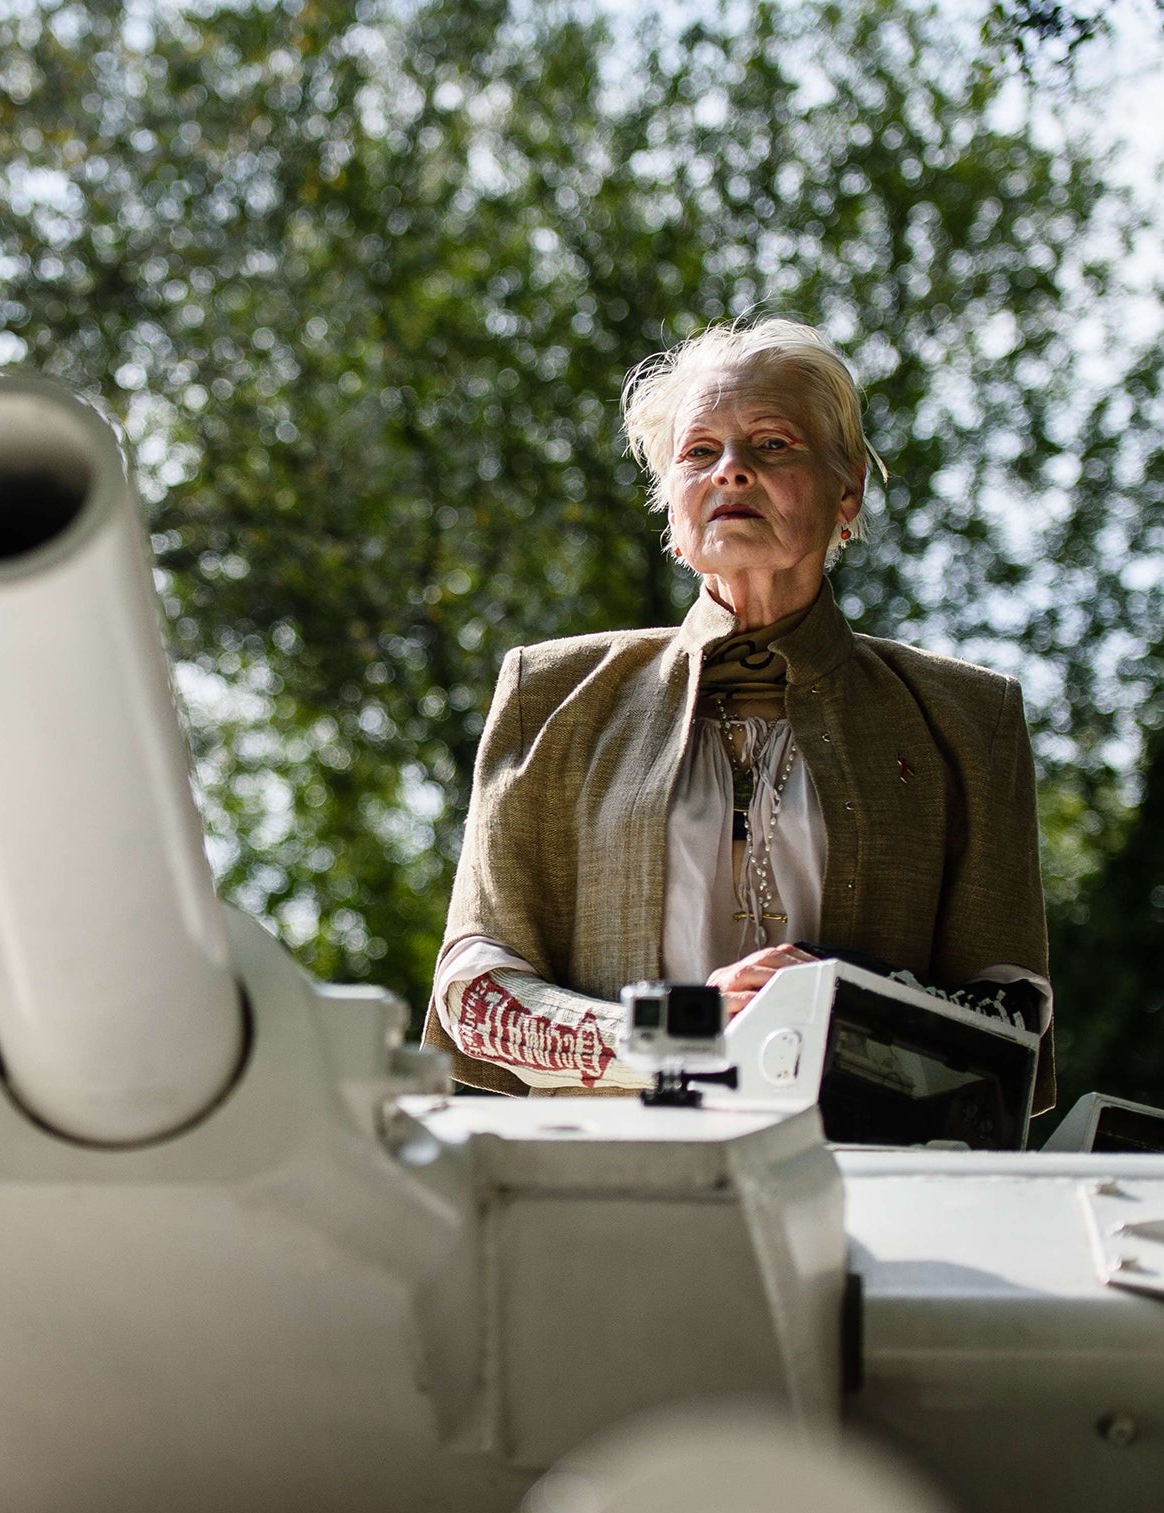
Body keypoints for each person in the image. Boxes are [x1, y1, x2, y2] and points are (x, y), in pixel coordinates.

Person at [424, 318, 1054, 1108]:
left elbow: (1017, 1013)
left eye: (772, 444)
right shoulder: (550, 696)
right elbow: (474, 991)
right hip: (600, 1188)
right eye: (698, 453)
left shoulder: (968, 718)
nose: (731, 473)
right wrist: (684, 1033)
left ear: (847, 490)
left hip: (869, 1193)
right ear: (673, 513)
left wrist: (836, 1002)